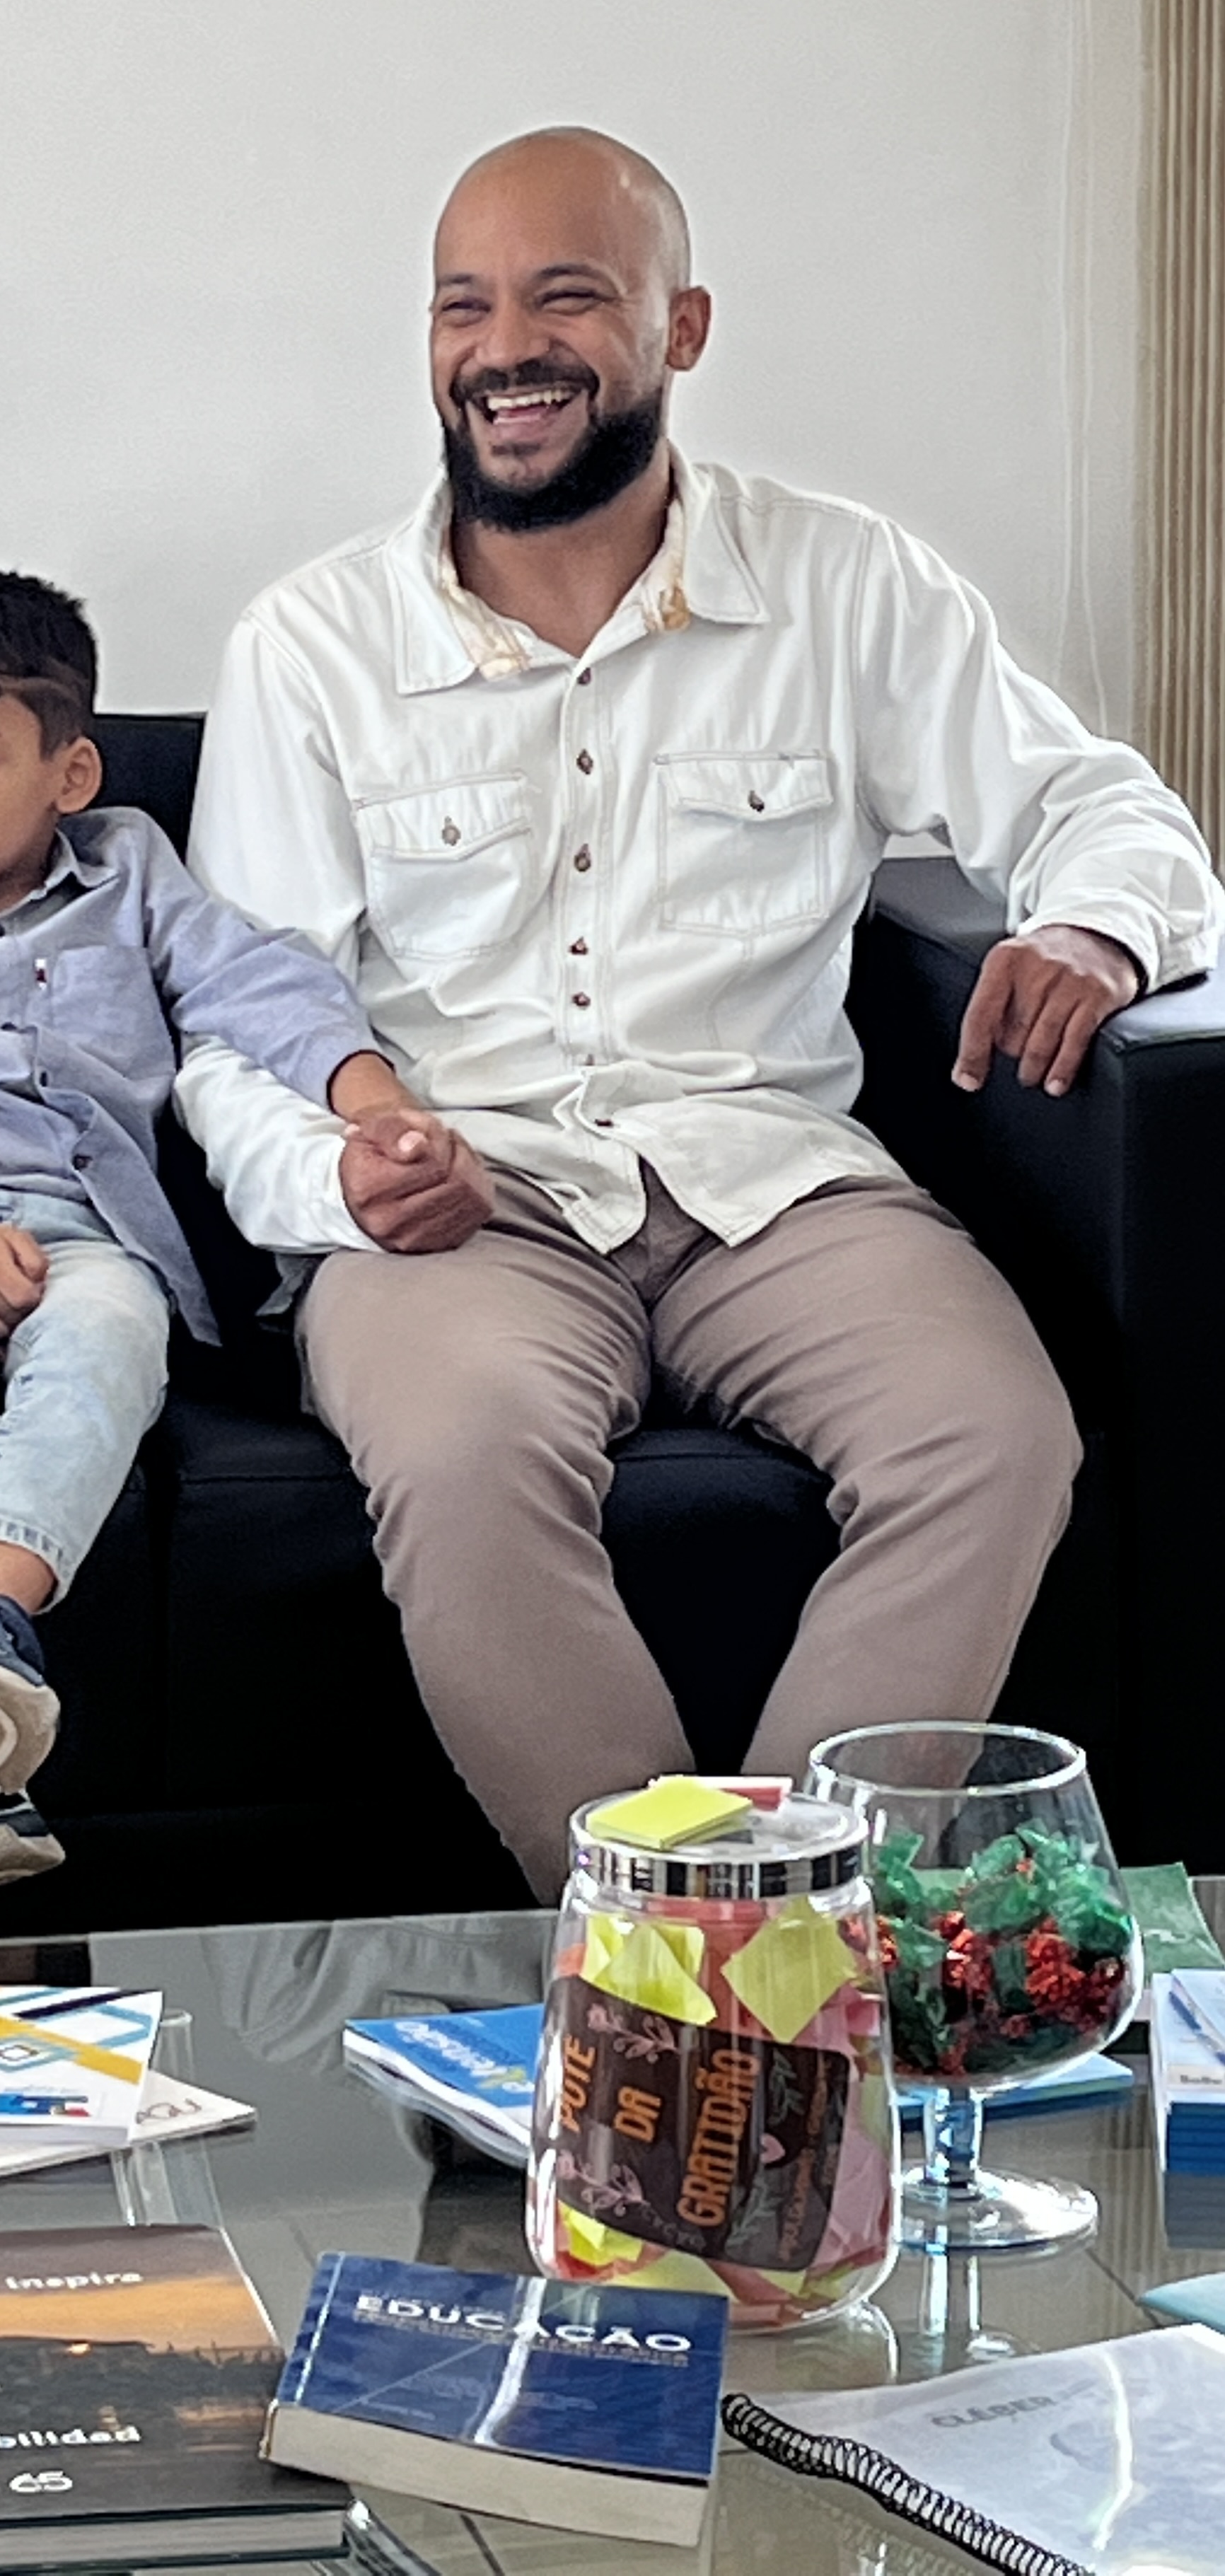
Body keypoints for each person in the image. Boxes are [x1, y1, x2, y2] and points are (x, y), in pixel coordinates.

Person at [178, 125, 1224, 1903]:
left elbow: (1106, 808)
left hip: (776, 1183)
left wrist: (1096, 933)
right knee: (463, 1458)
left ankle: (768, 1938)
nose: (506, 348)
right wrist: (336, 1177)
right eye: (462, 307)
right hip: (466, 1201)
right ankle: (694, 1968)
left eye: (565, 297)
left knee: (992, 1436)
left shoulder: (847, 586)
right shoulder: (313, 643)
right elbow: (237, 1019)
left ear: (682, 328)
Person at [0, 567, 417, 1901]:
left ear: (69, 773)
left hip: (83, 1232)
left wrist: (371, 1099)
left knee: (118, 1330)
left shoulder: (129, 872)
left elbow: (256, 983)